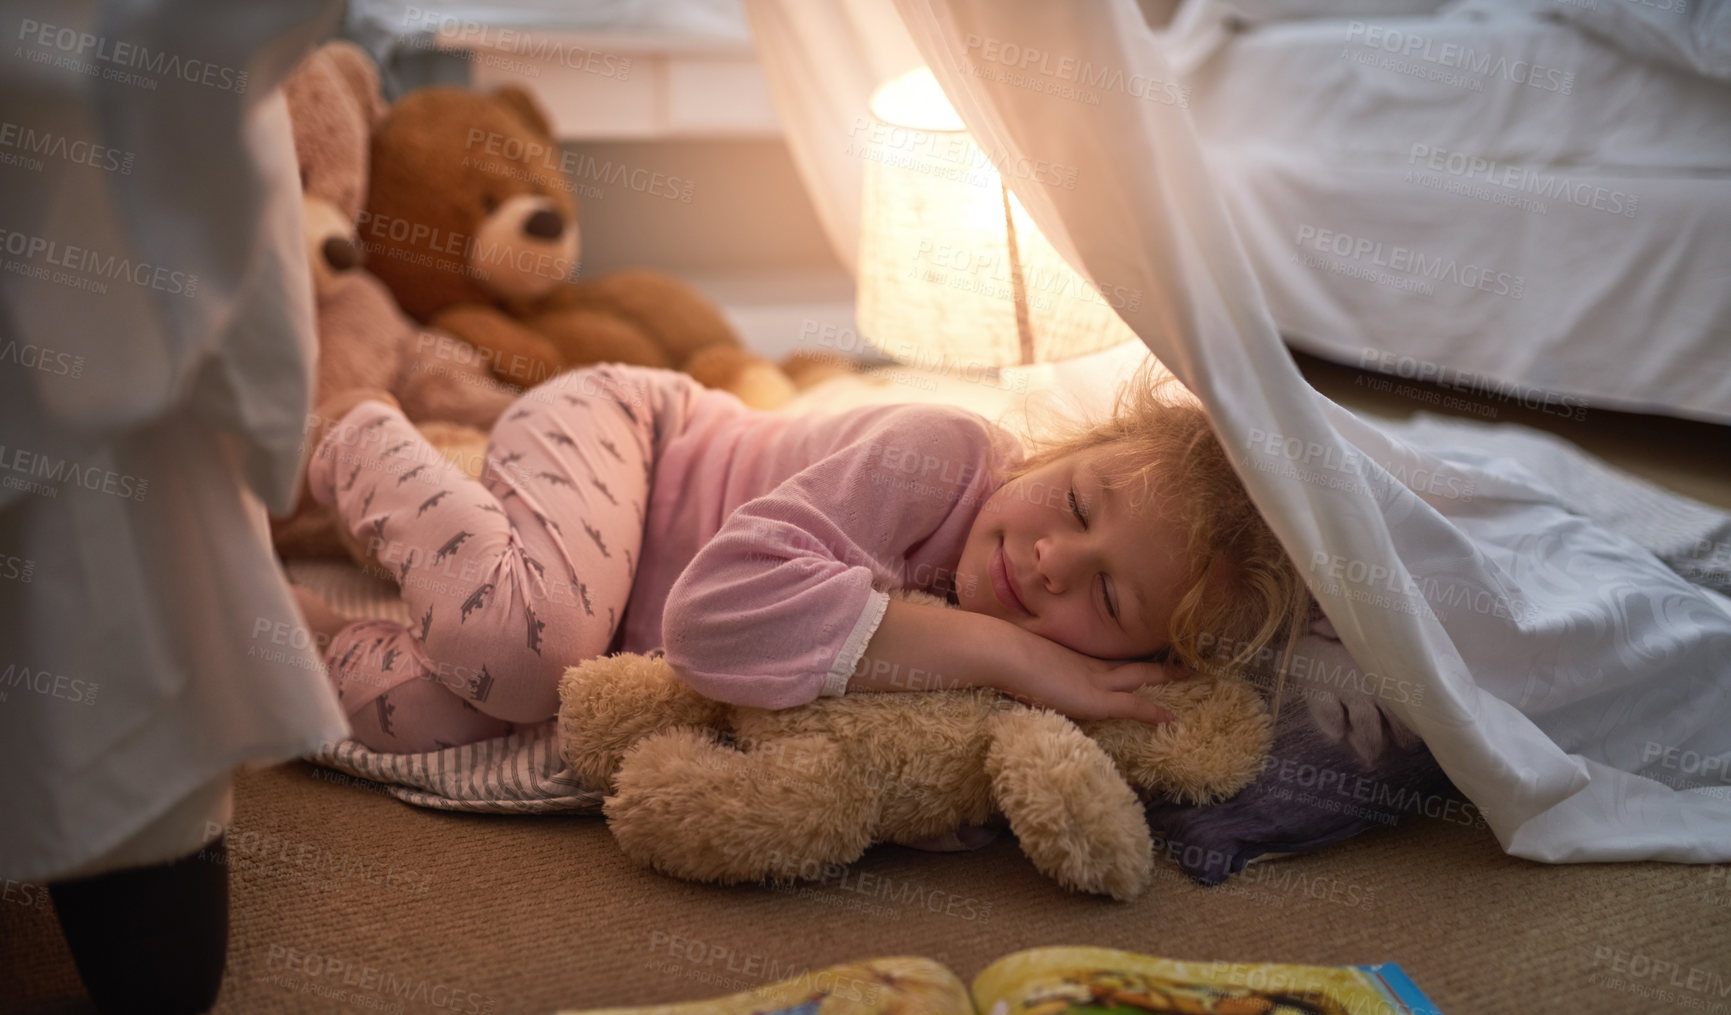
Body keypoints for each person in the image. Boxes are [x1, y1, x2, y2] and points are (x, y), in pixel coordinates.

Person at [292, 355, 1317, 756]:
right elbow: (710, 624)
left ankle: (322, 630)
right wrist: (1017, 656)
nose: (1052, 558)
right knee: (530, 651)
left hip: (613, 597)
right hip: (632, 443)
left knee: (443, 717)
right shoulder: (938, 456)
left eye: (1107, 592)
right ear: (1060, 451)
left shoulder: (1026, 641)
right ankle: (353, 437)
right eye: (1078, 501)